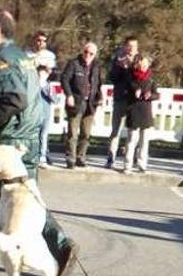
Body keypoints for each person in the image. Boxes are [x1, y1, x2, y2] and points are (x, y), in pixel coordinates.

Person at [0, 8, 78, 276]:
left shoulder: (3, 58)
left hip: (7, 142)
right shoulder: (22, 56)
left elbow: (15, 98)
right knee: (29, 198)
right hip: (28, 139)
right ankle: (61, 246)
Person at [60, 41, 102, 169]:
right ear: (82, 51)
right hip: (76, 102)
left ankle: (80, 157)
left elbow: (99, 83)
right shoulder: (74, 63)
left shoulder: (96, 66)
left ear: (95, 55)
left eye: (91, 53)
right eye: (86, 52)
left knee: (86, 133)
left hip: (90, 104)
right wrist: (69, 95)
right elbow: (64, 79)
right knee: (72, 133)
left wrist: (100, 97)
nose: (88, 55)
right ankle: (70, 158)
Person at [106, 36, 138, 168]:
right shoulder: (118, 59)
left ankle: (130, 159)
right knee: (116, 130)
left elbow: (144, 78)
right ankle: (110, 158)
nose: (131, 49)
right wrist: (120, 67)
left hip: (134, 101)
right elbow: (112, 78)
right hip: (120, 98)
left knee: (133, 131)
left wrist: (132, 67)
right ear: (125, 47)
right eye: (129, 46)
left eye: (134, 46)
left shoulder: (140, 60)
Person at [123, 55, 158, 174]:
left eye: (145, 64)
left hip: (146, 112)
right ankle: (127, 164)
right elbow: (126, 92)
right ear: (138, 64)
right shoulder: (131, 77)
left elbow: (156, 94)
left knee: (144, 141)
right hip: (133, 110)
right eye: (141, 64)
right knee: (132, 139)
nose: (143, 66)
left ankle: (142, 164)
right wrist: (134, 92)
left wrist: (150, 96)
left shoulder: (151, 79)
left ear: (148, 65)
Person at [35, 65, 57, 168]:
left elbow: (55, 100)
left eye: (44, 74)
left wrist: (50, 94)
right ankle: (33, 156)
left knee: (43, 136)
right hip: (34, 114)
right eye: (40, 74)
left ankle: (42, 157)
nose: (41, 77)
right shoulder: (33, 85)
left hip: (45, 114)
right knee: (34, 135)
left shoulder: (49, 86)